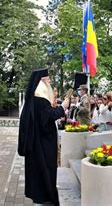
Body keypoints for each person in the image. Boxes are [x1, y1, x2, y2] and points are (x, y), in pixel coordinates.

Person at [18, 68, 69, 205]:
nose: (50, 80)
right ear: (41, 80)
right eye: (48, 78)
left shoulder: (37, 97)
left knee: (39, 170)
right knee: (45, 169)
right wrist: (62, 107)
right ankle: (46, 196)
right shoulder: (40, 96)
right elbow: (47, 116)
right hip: (43, 142)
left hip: (38, 141)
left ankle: (41, 195)